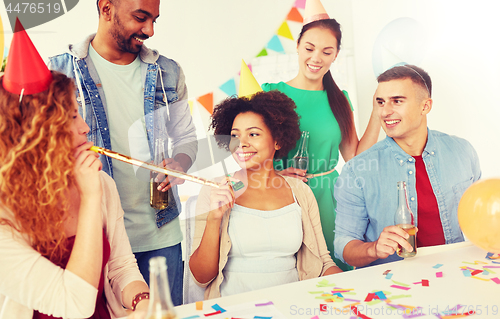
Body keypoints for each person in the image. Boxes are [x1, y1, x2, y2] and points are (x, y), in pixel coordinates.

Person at [49, 0, 197, 305]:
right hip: (92, 234)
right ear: (106, 9)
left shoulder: (167, 72)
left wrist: (180, 163)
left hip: (161, 233)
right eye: (141, 18)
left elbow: (186, 137)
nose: (150, 30)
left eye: (155, 20)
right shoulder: (56, 72)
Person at [0, 20, 149, 318]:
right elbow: (75, 305)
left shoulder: (102, 184)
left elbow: (121, 267)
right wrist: (91, 198)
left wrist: (142, 301)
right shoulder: (5, 216)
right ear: (36, 134)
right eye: (70, 118)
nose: (85, 128)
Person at [189, 89, 343, 300]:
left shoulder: (300, 191)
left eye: (253, 134)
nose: (241, 144)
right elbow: (201, 277)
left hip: (292, 306)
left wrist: (351, 290)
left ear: (277, 140)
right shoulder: (214, 190)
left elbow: (324, 262)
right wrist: (214, 218)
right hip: (234, 310)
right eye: (235, 135)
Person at [261, 0, 380, 271]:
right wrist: (275, 174)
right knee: (289, 271)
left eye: (327, 51)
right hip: (282, 195)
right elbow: (247, 153)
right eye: (309, 48)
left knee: (334, 272)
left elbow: (355, 159)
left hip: (330, 198)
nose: (316, 58)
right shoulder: (270, 93)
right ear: (298, 46)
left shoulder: (340, 100)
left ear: (336, 55)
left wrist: (376, 113)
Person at [333, 65, 481, 268]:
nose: (385, 111)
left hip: (456, 272)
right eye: (381, 102)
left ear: (425, 106)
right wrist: (373, 248)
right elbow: (344, 246)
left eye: (397, 101)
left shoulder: (463, 152)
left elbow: (481, 219)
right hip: (394, 286)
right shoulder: (356, 171)